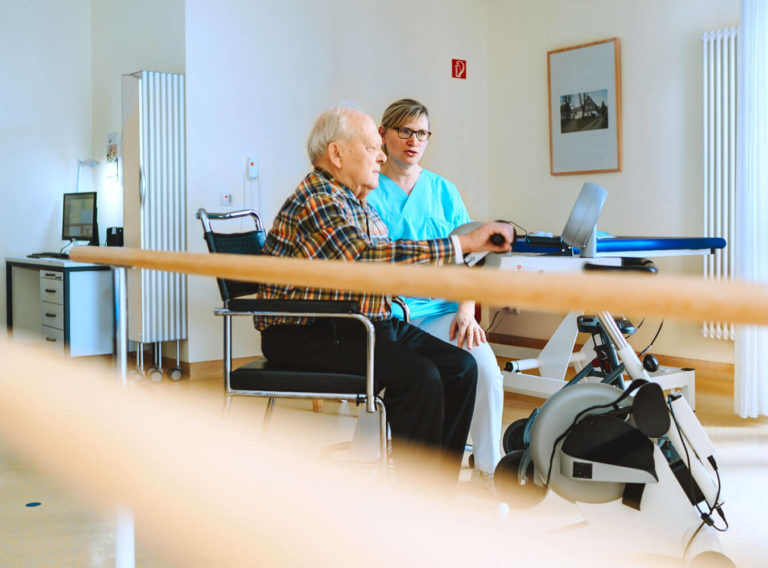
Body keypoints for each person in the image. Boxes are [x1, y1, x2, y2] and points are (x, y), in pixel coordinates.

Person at [255, 102, 514, 481]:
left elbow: (391, 264)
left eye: (380, 148)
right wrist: (460, 245)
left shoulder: (358, 202)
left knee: (460, 367)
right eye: (372, 147)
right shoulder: (318, 199)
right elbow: (366, 257)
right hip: (308, 331)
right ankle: (412, 497)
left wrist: (456, 290)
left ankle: (435, 489)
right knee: (420, 377)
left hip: (361, 323)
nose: (380, 157)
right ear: (337, 153)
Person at [366, 98, 504, 483]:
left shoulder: (444, 191)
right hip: (391, 317)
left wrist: (465, 311)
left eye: (421, 133)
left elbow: (469, 259)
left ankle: (490, 470)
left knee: (488, 373)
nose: (413, 140)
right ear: (383, 134)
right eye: (404, 131)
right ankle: (417, 469)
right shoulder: (368, 189)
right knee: (420, 379)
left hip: (444, 312)